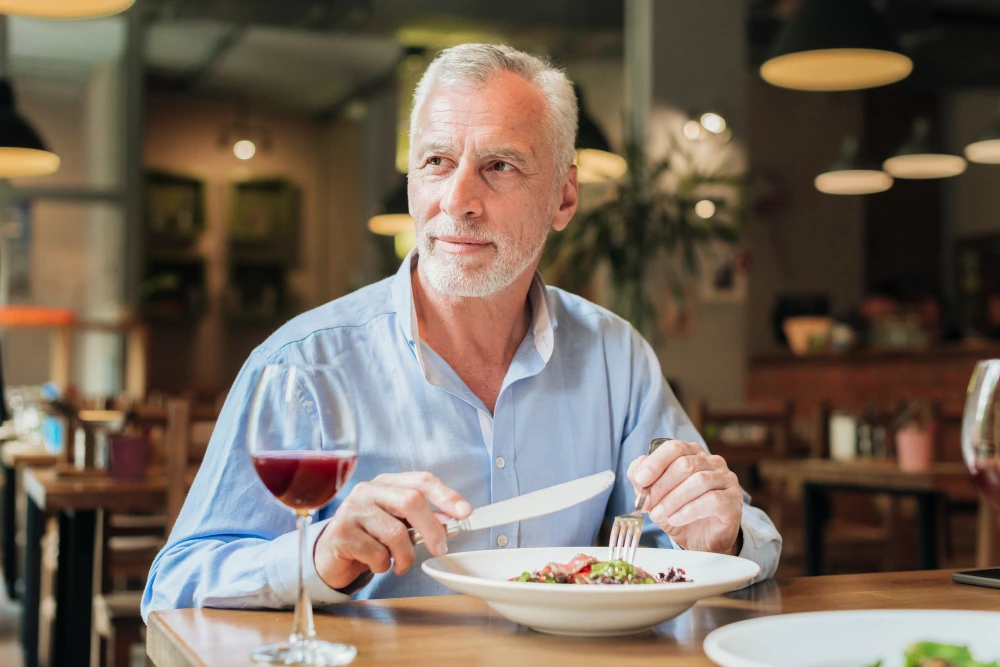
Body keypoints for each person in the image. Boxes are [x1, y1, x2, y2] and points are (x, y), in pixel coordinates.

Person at [142, 44, 780, 619]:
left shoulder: (617, 357)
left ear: (563, 198)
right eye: (437, 162)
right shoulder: (300, 366)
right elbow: (174, 585)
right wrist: (317, 556)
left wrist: (719, 538)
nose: (457, 199)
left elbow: (720, 538)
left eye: (499, 165)